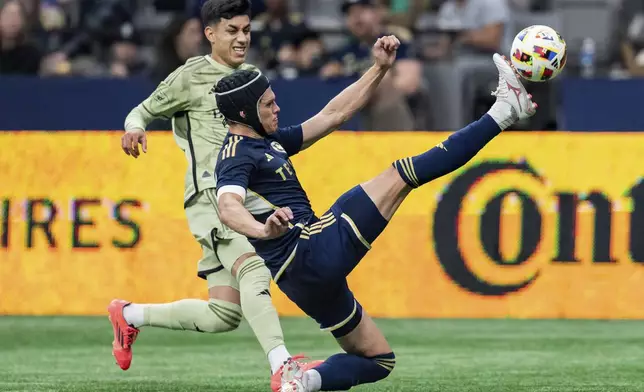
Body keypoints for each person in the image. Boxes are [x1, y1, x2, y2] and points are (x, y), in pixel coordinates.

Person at [213, 34, 537, 391]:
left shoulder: (265, 141)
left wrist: (379, 68)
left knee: (378, 360)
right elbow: (228, 206)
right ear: (244, 113)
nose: (277, 109)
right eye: (268, 105)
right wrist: (262, 231)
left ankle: (303, 383)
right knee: (401, 174)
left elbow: (334, 114)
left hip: (302, 279)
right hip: (307, 250)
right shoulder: (235, 155)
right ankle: (503, 113)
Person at [109, 0, 306, 384]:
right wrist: (135, 128)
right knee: (253, 265)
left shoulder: (251, 75)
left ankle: (129, 315)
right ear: (210, 34)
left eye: (246, 30)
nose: (242, 38)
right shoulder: (191, 75)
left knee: (223, 315)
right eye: (232, 31)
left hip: (244, 194)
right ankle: (282, 366)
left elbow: (266, 134)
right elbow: (142, 110)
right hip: (211, 198)